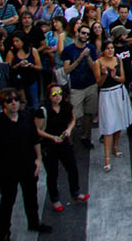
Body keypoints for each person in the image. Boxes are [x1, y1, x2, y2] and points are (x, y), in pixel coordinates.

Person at [0, 87, 53, 239]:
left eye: (16, 99)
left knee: (31, 197)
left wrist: (38, 159)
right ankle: (4, 233)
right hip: (7, 170)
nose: (14, 103)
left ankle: (34, 223)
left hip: (28, 165)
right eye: (9, 100)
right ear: (3, 104)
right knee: (7, 201)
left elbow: (35, 139)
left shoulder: (27, 117)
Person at [35, 83, 89, 211]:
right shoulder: (43, 111)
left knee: (72, 168)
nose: (58, 96)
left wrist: (69, 129)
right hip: (49, 145)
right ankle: (55, 199)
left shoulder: (66, 106)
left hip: (63, 142)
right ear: (49, 96)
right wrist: (51, 137)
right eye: (54, 94)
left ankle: (75, 192)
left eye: (60, 93)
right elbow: (37, 130)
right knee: (53, 173)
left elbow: (72, 120)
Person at [93, 40, 132, 172]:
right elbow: (99, 83)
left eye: (112, 48)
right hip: (106, 95)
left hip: (119, 92)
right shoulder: (98, 63)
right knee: (108, 126)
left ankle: (115, 146)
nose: (110, 50)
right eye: (108, 48)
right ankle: (107, 158)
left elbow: (123, 78)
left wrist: (114, 76)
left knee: (119, 122)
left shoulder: (118, 60)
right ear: (103, 51)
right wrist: (105, 75)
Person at [61, 24, 98, 149]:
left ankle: (85, 136)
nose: (85, 36)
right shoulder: (69, 50)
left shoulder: (91, 48)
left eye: (87, 34)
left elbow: (94, 68)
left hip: (90, 85)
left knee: (88, 113)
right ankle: (70, 141)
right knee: (74, 116)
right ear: (77, 33)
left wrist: (88, 57)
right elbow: (66, 70)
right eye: (83, 33)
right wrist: (80, 57)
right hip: (76, 87)